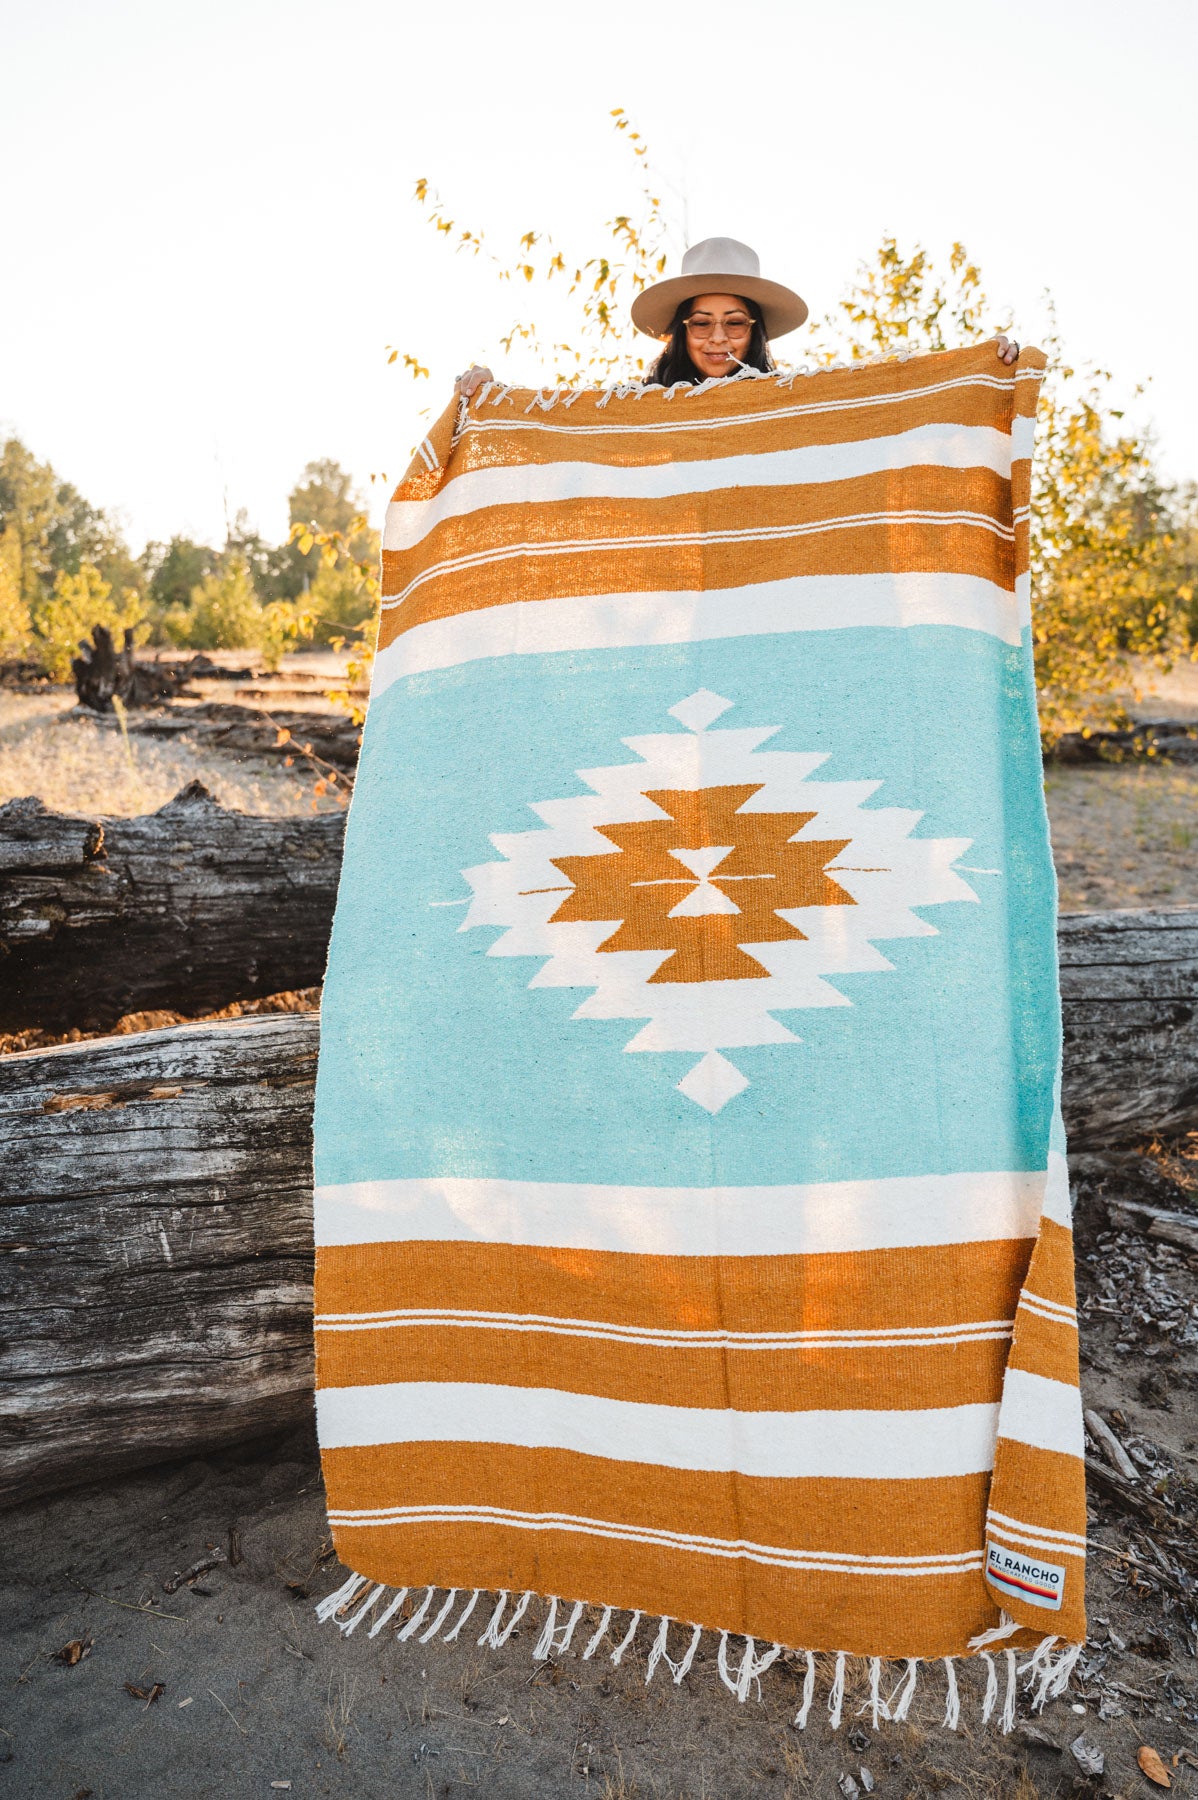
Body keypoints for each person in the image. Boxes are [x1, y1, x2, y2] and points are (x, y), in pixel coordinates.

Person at [453, 235, 1020, 398]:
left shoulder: (790, 402)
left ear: (756, 331)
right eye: (700, 322)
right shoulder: (639, 406)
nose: (717, 337)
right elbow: (564, 432)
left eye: (735, 322)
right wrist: (492, 398)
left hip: (762, 606)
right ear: (681, 331)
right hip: (669, 607)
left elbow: (887, 403)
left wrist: (975, 370)